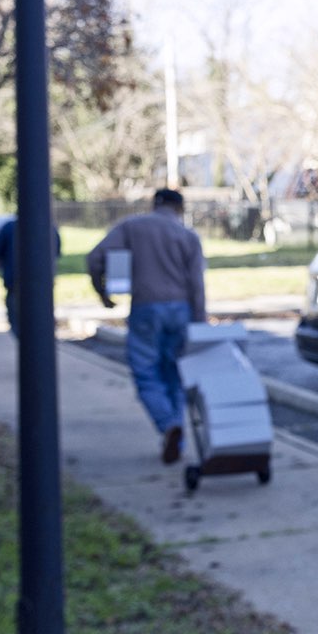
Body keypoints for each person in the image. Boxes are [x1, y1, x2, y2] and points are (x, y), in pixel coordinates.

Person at [87, 189, 207, 464]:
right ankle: (178, 433)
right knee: (176, 374)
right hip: (182, 310)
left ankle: (167, 426)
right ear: (180, 208)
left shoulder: (132, 227)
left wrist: (102, 292)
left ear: (155, 204)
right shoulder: (188, 236)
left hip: (146, 308)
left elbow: (95, 258)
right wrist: (200, 324)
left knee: (145, 371)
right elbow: (197, 286)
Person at [0, 214, 61, 336]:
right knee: (42, 320)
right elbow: (57, 252)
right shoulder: (50, 227)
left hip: (16, 282)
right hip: (44, 284)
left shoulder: (10, 228)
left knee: (18, 323)